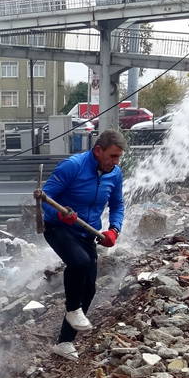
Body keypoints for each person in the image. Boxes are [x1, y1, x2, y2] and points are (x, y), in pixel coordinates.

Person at [39, 130, 126, 360]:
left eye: (119, 157)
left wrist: (114, 230)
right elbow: (45, 198)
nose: (115, 162)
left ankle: (65, 343)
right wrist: (60, 215)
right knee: (79, 262)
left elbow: (117, 205)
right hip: (59, 228)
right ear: (98, 151)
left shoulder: (115, 174)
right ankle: (73, 309)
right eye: (112, 156)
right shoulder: (72, 167)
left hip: (88, 231)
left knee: (89, 288)